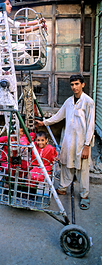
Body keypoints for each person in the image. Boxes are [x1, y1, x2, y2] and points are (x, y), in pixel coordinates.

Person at [36, 74, 95, 210]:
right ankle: (62, 188)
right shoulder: (69, 101)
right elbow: (58, 116)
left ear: (82, 85)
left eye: (77, 84)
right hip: (68, 139)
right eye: (72, 84)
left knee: (83, 168)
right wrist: (44, 123)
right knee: (65, 163)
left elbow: (91, 125)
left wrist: (87, 146)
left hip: (82, 142)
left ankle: (85, 195)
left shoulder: (88, 102)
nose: (74, 87)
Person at [0, 0, 46, 65]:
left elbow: (21, 31)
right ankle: (18, 60)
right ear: (1, 6)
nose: (10, 6)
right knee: (25, 49)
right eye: (7, 4)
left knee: (25, 49)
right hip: (0, 45)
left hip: (6, 44)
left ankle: (18, 60)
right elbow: (20, 25)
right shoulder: (0, 16)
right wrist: (38, 22)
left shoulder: (5, 17)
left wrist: (39, 27)